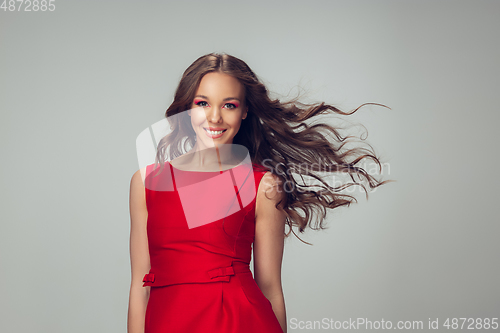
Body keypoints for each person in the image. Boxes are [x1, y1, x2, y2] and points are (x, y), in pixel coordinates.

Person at [128, 53, 392, 333]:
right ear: (187, 108)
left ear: (244, 111)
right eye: (202, 103)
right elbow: (139, 287)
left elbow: (270, 288)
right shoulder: (145, 183)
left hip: (237, 322)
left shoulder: (264, 185)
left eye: (229, 105)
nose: (214, 117)